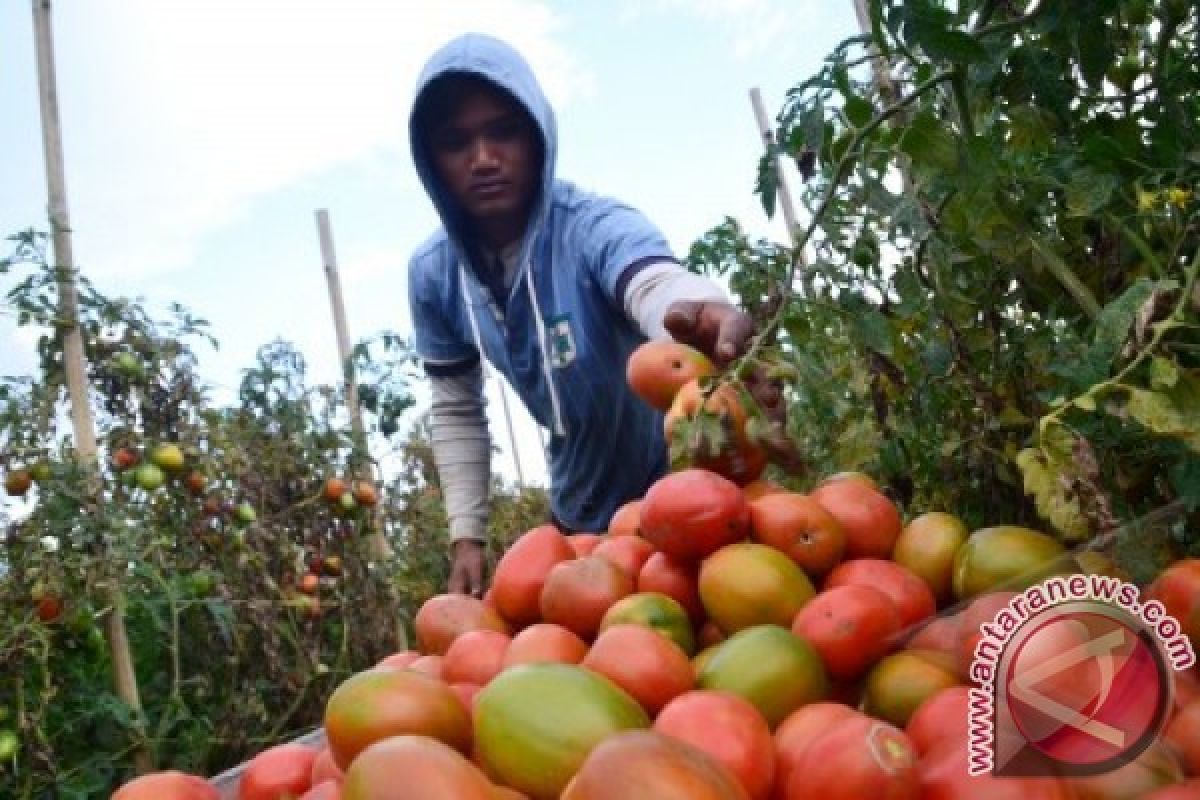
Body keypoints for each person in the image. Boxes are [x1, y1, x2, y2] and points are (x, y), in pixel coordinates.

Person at [406, 33, 780, 597]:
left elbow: (652, 282)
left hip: (694, 503)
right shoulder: (436, 275)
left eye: (504, 130)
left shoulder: (593, 227)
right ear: (431, 160)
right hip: (580, 525)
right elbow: (457, 405)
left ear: (537, 135)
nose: (483, 158)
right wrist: (467, 536)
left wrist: (698, 313)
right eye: (456, 142)